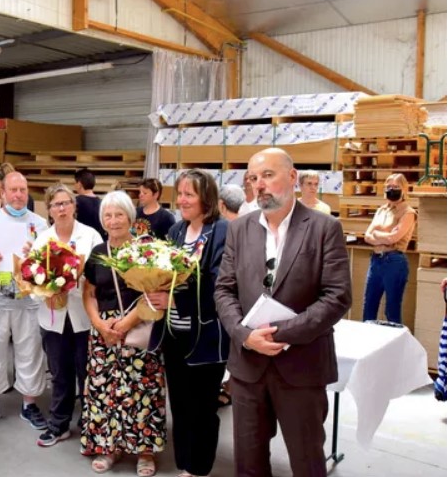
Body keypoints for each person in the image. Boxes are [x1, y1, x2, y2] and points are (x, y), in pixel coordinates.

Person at [214, 147, 352, 477]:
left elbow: (337, 297)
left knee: (306, 462)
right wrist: (246, 336)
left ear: (292, 178)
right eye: (252, 178)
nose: (258, 184)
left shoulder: (324, 228)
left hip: (301, 368)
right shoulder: (239, 229)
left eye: (267, 175)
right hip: (248, 370)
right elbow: (224, 290)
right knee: (249, 464)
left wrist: (279, 334)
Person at [147, 169, 230, 477]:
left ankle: (199, 468)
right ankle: (184, 462)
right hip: (173, 333)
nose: (181, 200)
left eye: (189, 194)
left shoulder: (222, 231)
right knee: (180, 404)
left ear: (205, 197)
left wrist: (175, 300)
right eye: (179, 193)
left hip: (205, 335)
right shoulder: (176, 231)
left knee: (203, 406)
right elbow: (163, 272)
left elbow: (220, 285)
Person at [81, 190, 166, 476]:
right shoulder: (97, 253)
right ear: (102, 220)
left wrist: (125, 324)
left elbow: (154, 293)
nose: (114, 220)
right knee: (107, 391)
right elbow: (89, 293)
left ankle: (145, 450)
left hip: (139, 325)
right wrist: (100, 325)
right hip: (104, 332)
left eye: (119, 214)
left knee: (142, 389)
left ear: (130, 217)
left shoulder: (147, 250)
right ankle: (110, 446)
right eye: (108, 215)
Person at [0, 172, 48, 431]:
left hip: (28, 301)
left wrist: (35, 258)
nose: (18, 195)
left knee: (30, 351)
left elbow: (50, 264)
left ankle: (30, 403)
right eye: (13, 190)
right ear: (2, 193)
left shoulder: (40, 224)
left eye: (23, 190)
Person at [32, 184, 103, 447]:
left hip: (85, 316)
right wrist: (45, 293)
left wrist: (80, 279)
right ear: (49, 210)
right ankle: (58, 424)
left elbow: (101, 276)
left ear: (74, 205)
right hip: (53, 317)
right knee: (60, 373)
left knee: (87, 372)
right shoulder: (43, 240)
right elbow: (30, 279)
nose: (61, 209)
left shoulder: (91, 236)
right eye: (56, 204)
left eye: (66, 203)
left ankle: (90, 423)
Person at [362, 173, 417, 324]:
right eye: (389, 187)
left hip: (394, 262)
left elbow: (394, 238)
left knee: (391, 309)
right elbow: (367, 235)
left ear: (404, 189)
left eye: (396, 187)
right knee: (369, 306)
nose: (392, 189)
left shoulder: (408, 212)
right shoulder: (381, 210)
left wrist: (377, 234)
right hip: (376, 261)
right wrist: (383, 237)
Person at [73, 168, 104, 239]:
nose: (74, 185)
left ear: (79, 184)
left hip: (81, 240)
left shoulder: (75, 202)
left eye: (75, 182)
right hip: (99, 241)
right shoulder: (102, 203)